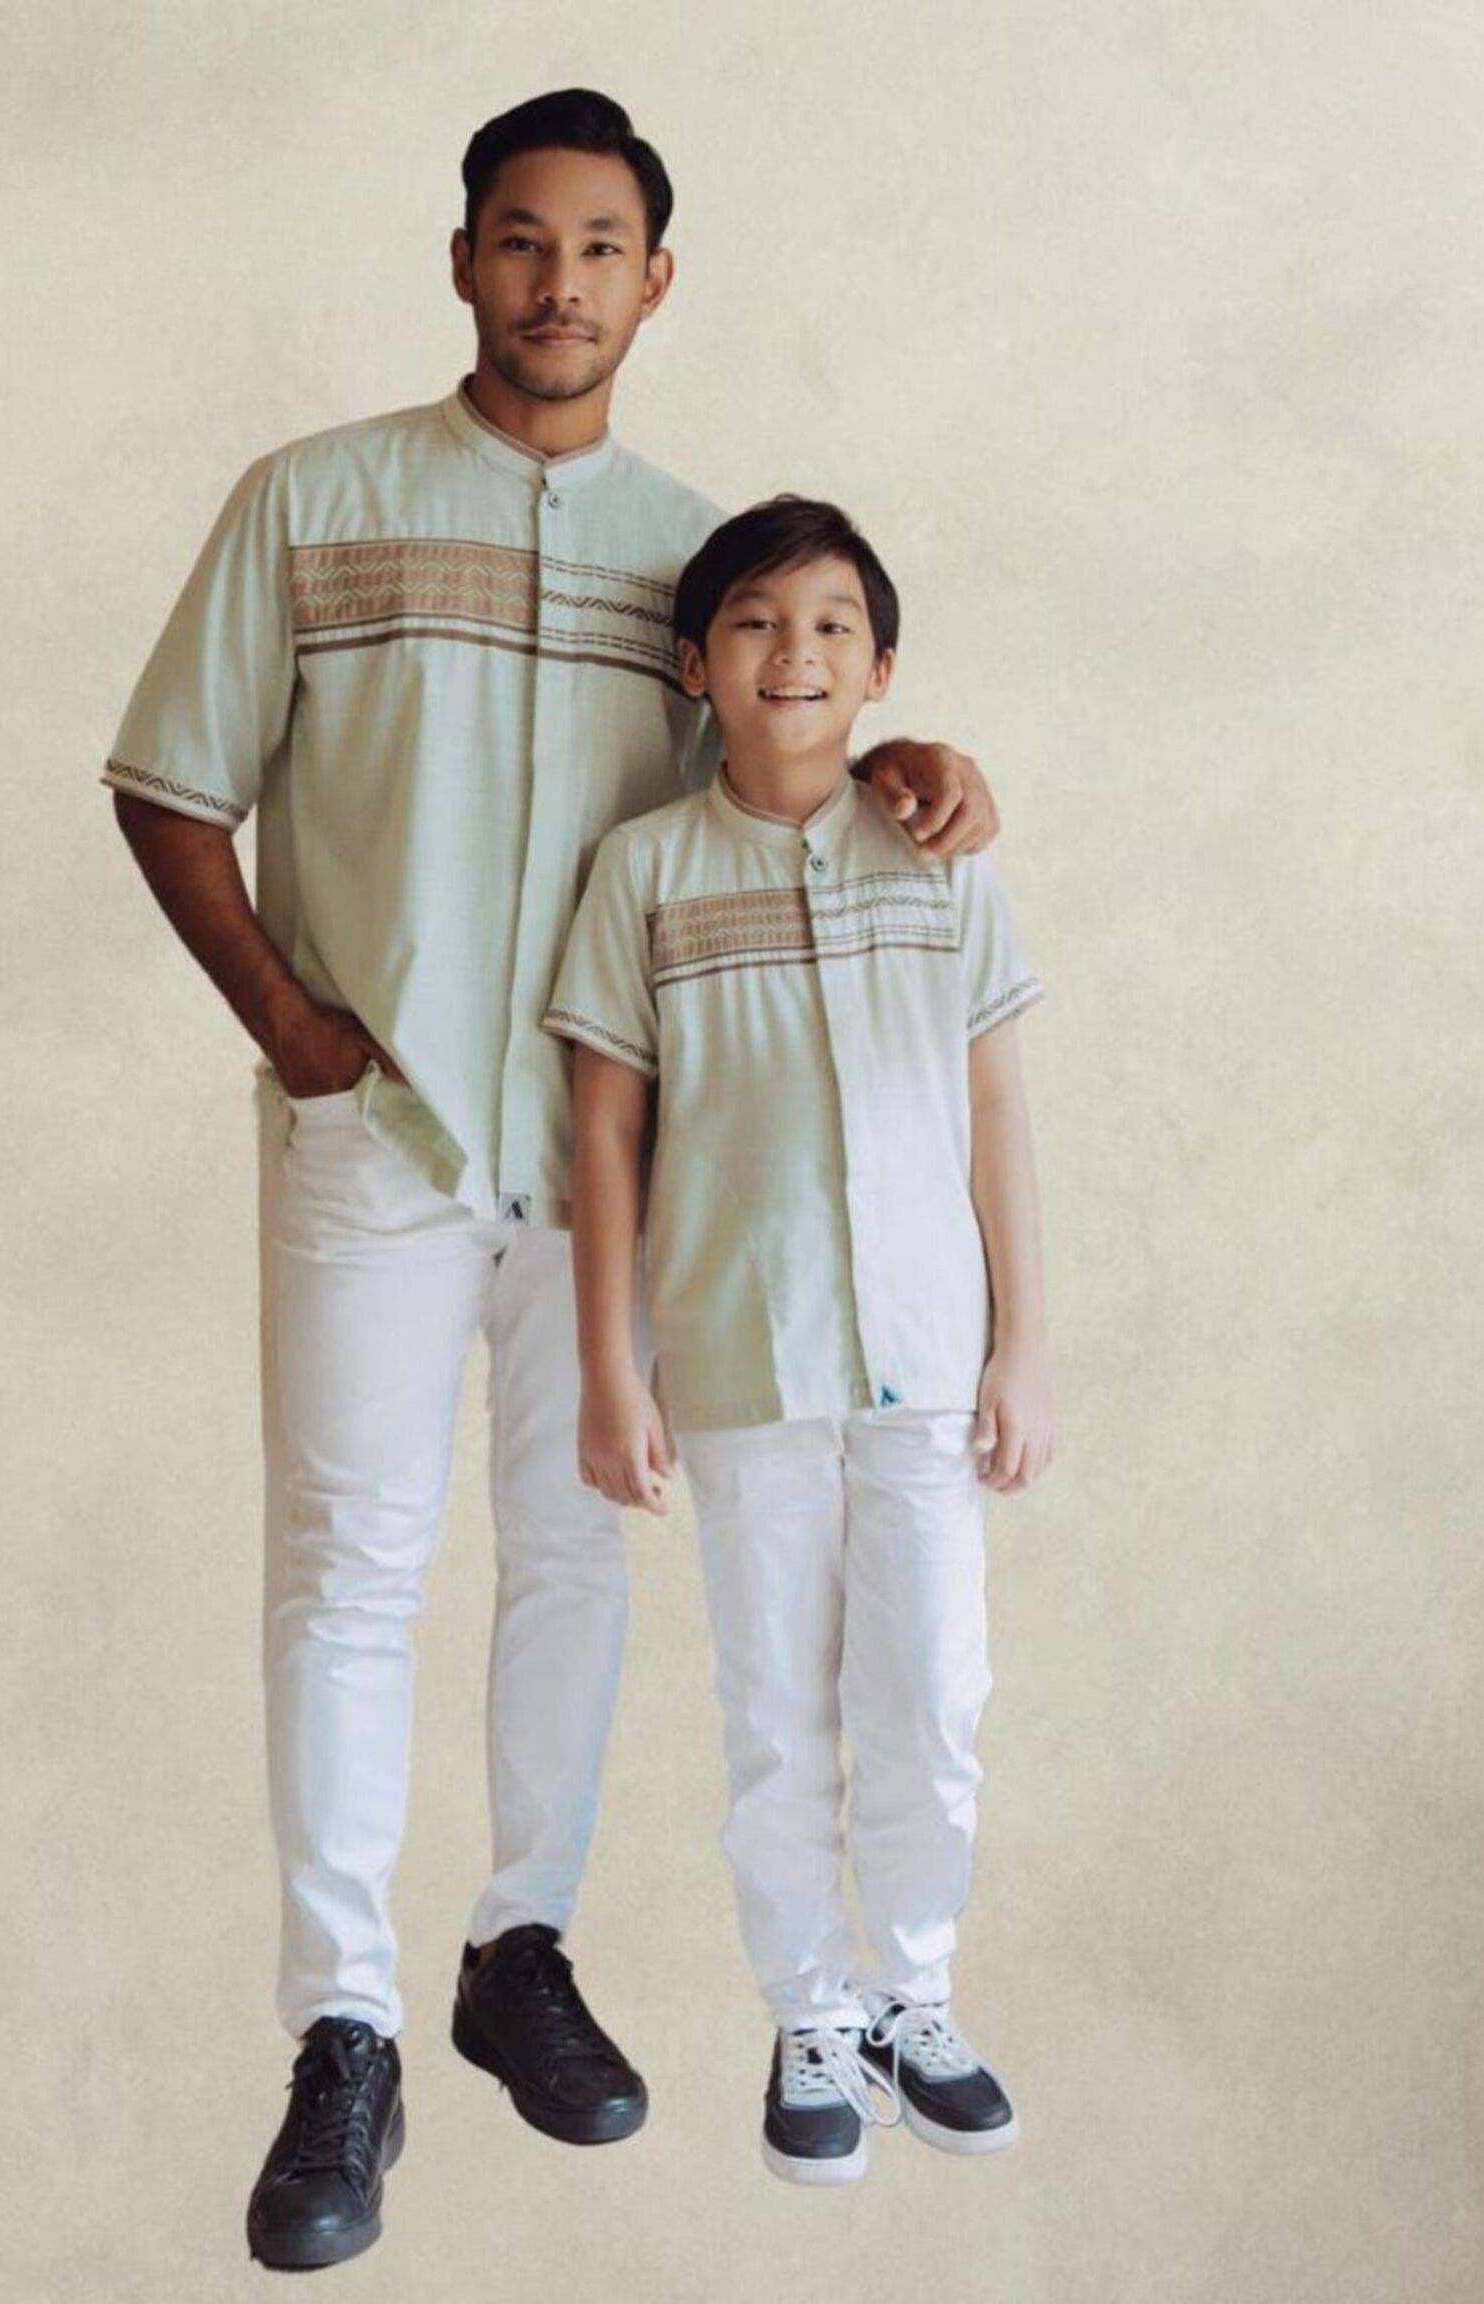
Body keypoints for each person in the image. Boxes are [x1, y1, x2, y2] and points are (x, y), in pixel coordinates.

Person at [103, 90, 1002, 2269]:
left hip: (615, 1172)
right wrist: (294, 1031)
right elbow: (167, 786)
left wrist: (904, 759)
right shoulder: (312, 503)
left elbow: (772, 776)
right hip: (379, 1134)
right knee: (350, 1567)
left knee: (578, 1557)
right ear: (463, 261)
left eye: (603, 247)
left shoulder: (696, 561)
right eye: (523, 239)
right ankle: (342, 2028)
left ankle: (521, 1950)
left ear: (654, 282)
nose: (560, 282)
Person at [545, 495, 1054, 2186]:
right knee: (777, 1713)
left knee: (935, 1693)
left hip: (927, 1354)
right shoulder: (644, 873)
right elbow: (607, 1129)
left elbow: (998, 1110)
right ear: (698, 666)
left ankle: (915, 1991)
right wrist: (610, 1369)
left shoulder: (943, 863)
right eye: (758, 622)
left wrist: (1023, 1345)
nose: (797, 653)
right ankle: (811, 2012)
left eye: (835, 625)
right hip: (741, 1358)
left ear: (882, 667)